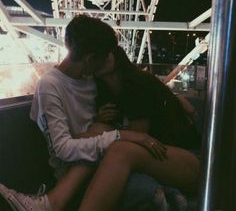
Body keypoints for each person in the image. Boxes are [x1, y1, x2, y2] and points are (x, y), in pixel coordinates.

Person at [0, 16, 200, 211]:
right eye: (105, 55)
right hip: (95, 163)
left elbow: (146, 92)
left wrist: (177, 101)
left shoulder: (116, 83)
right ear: (90, 59)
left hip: (175, 159)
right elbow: (68, 147)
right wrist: (119, 134)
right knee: (107, 140)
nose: (110, 57)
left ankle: (51, 203)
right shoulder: (62, 85)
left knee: (113, 145)